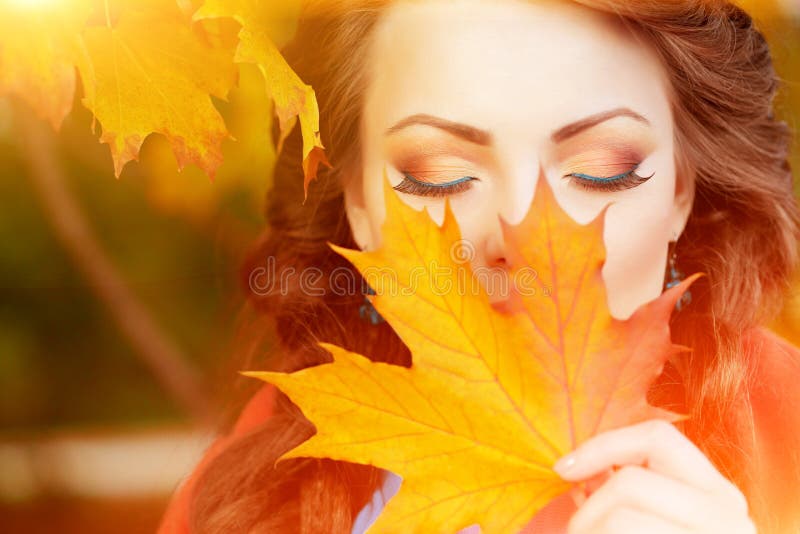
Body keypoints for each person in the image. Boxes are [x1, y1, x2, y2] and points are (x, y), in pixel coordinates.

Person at [159, 0, 800, 532]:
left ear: (683, 190)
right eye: (441, 176)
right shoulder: (244, 500)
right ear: (355, 199)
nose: (518, 233)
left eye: (601, 169)